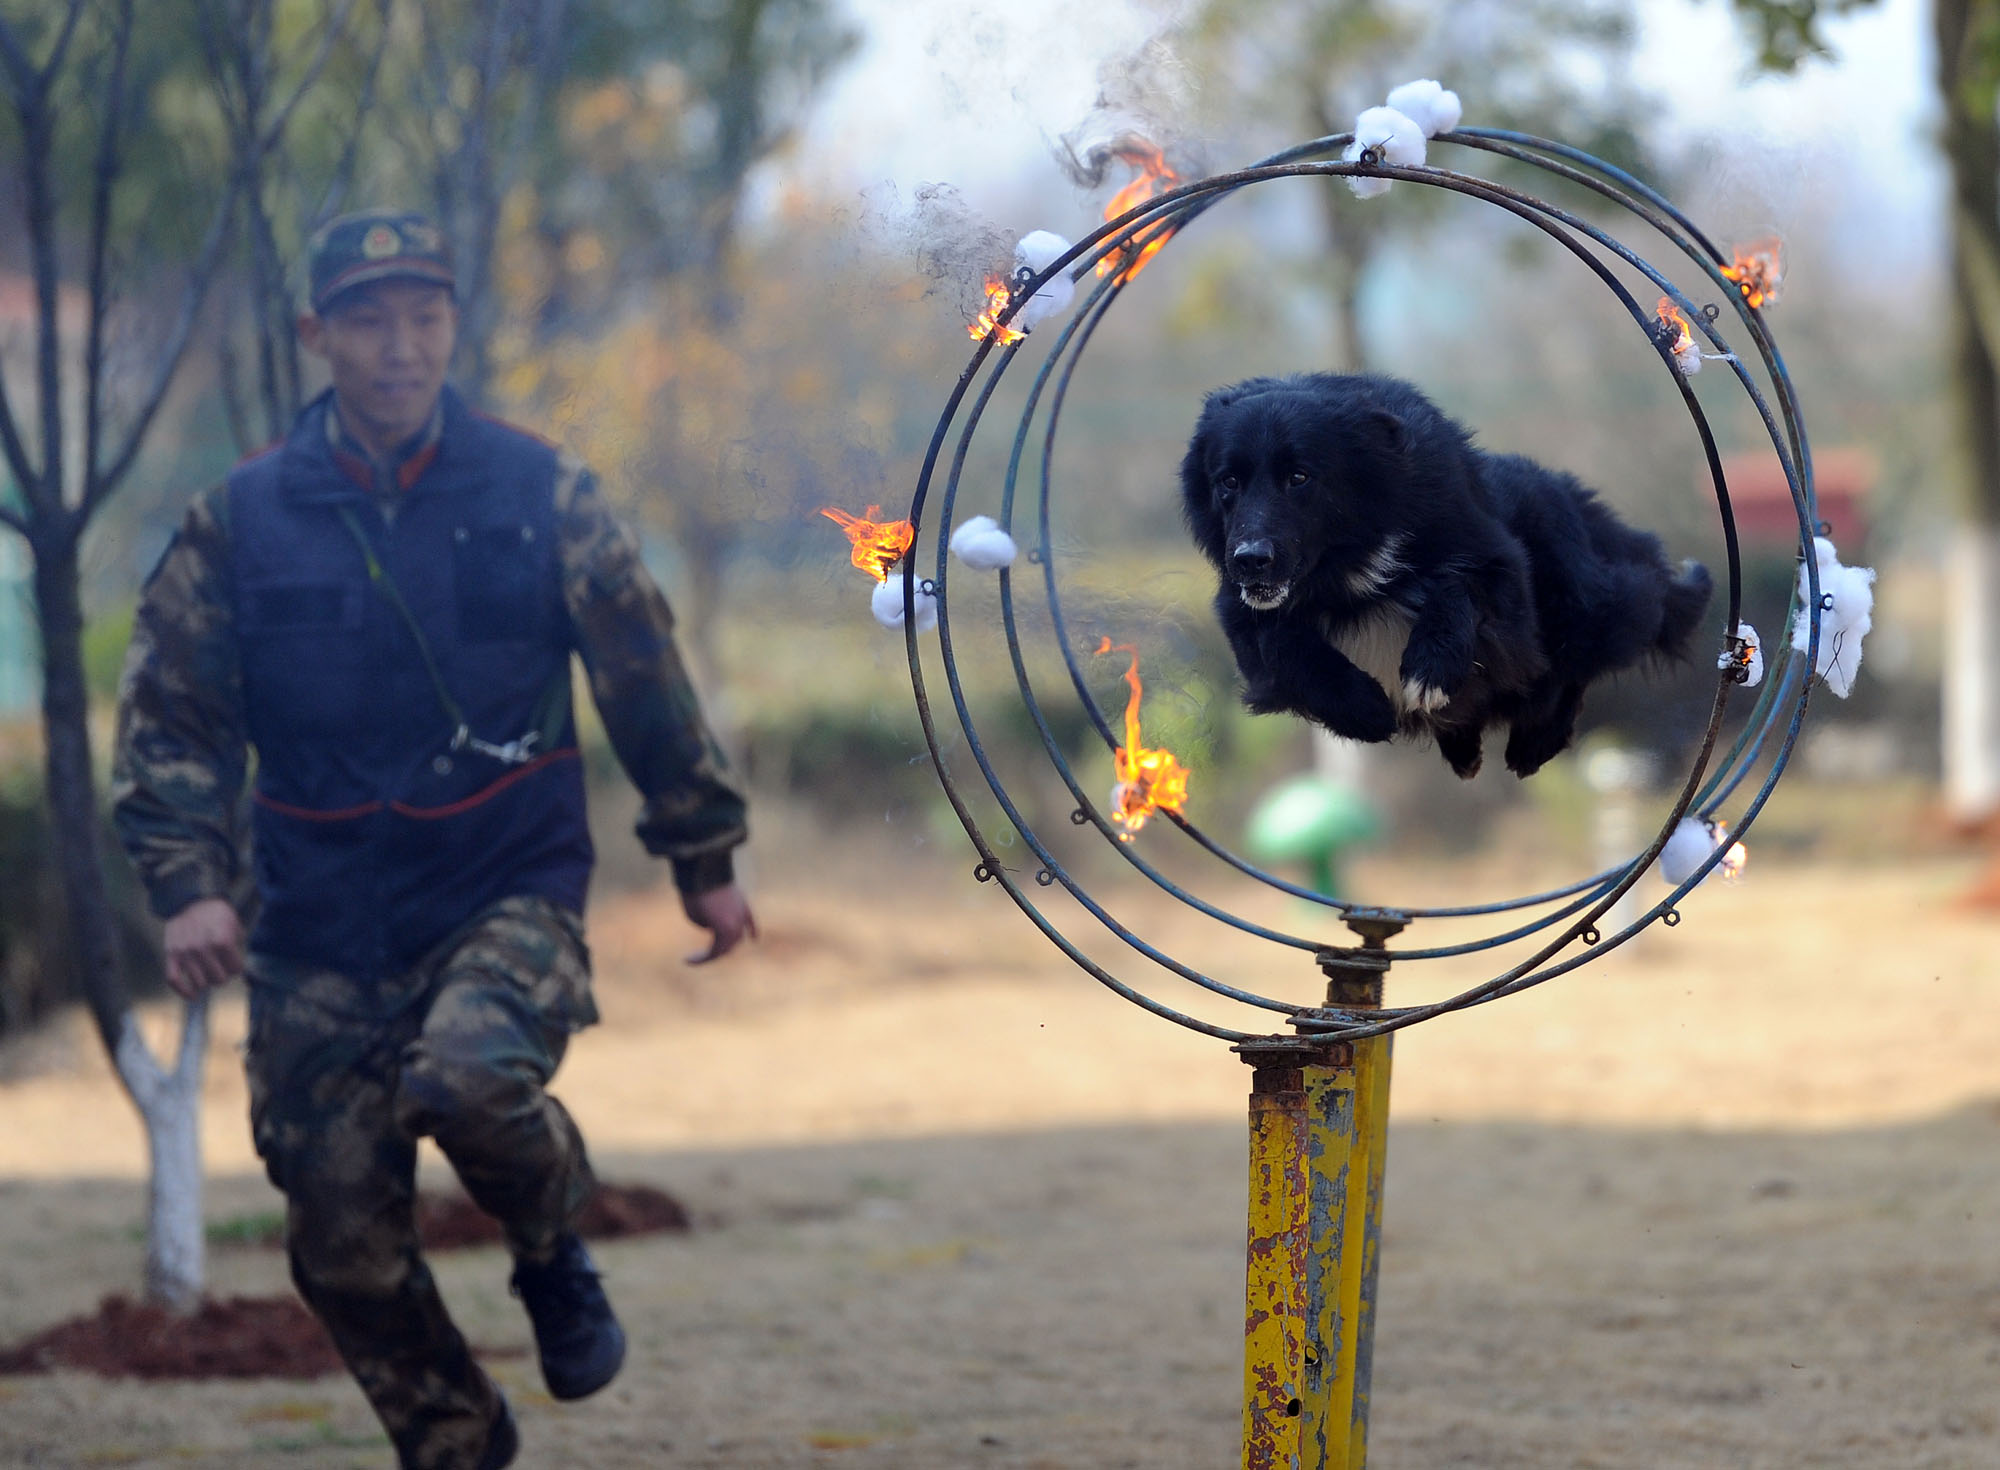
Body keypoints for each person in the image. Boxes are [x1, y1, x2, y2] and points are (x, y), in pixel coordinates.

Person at [112, 208, 754, 1470]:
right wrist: (189, 885)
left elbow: (641, 674)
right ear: (317, 335)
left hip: (502, 885)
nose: (400, 346)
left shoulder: (541, 492)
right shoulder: (239, 519)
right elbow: (172, 717)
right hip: (316, 922)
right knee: (337, 1244)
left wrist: (704, 859)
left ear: (453, 324)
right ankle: (457, 1441)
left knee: (466, 1078)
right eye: (368, 321)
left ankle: (550, 1244)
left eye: (423, 317)